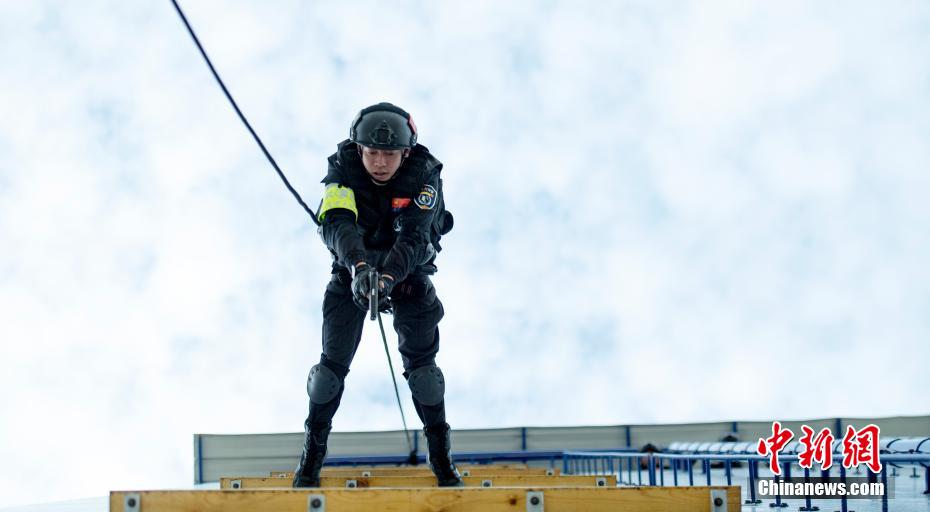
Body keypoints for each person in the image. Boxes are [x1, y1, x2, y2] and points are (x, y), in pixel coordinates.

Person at [293, 102, 463, 488]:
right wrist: (358, 268)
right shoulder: (342, 171)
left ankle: (440, 453)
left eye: (390, 154)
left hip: (407, 276)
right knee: (327, 373)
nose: (381, 162)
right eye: (373, 153)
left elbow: (417, 237)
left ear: (405, 153)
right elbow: (337, 223)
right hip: (352, 272)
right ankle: (312, 452)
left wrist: (386, 277)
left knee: (425, 374)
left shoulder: (424, 176)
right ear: (358, 150)